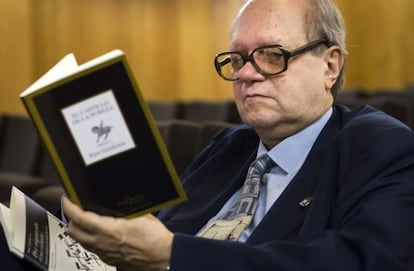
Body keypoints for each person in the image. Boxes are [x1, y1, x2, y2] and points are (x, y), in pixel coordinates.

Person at [1, 0, 414, 270]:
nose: (248, 73)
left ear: (330, 66)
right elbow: (160, 229)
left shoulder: (381, 147)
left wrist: (170, 255)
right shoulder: (230, 147)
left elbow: (363, 262)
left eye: (272, 55)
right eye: (237, 59)